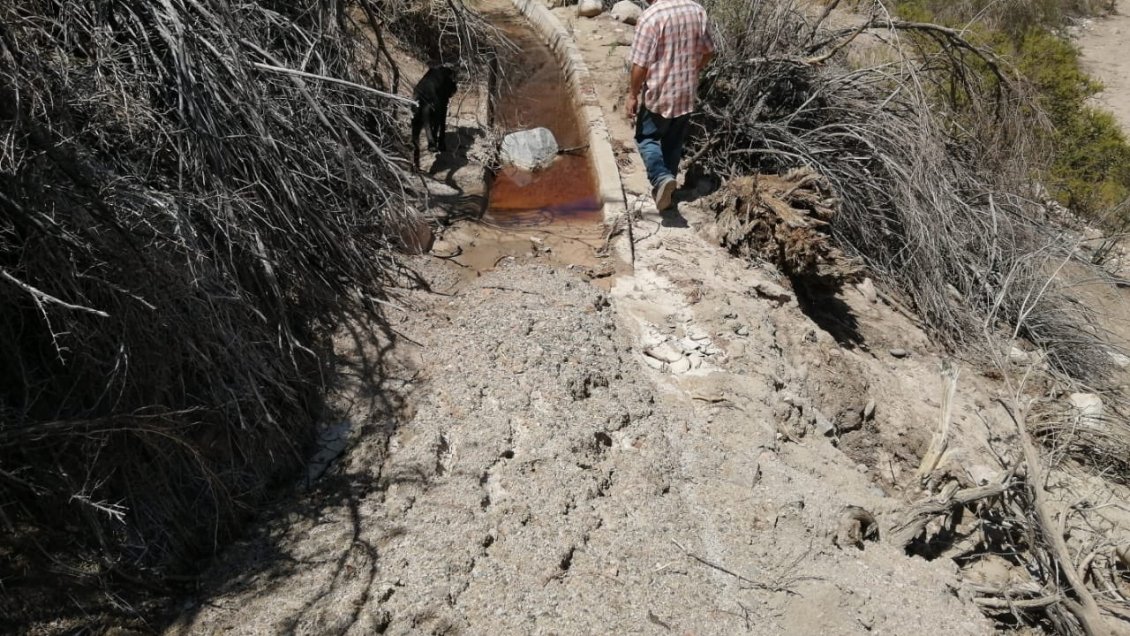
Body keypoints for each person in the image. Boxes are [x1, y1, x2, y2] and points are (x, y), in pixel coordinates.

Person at [627, 0, 714, 212]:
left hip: (660, 94)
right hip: (686, 92)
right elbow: (709, 51)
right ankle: (667, 193)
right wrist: (694, 69)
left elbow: (640, 66)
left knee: (646, 138)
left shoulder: (651, 17)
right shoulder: (696, 9)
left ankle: (661, 177)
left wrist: (632, 95)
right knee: (673, 143)